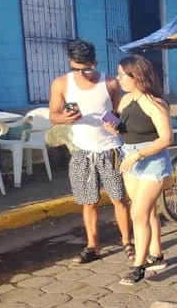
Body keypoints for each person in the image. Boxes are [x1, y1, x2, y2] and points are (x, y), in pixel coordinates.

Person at [48, 39, 132, 265]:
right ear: (70, 62)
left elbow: (119, 114)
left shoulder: (111, 83)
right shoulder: (61, 84)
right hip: (82, 152)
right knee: (89, 202)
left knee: (119, 199)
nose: (82, 73)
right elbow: (53, 114)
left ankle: (127, 242)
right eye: (76, 68)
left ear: (95, 62)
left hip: (110, 149)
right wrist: (63, 118)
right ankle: (93, 246)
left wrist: (115, 124)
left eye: (87, 68)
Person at [111, 55, 174, 286]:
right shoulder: (126, 101)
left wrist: (139, 154)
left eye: (122, 75)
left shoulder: (154, 102)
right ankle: (156, 254)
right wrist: (114, 129)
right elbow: (126, 131)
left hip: (151, 160)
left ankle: (138, 266)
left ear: (135, 76)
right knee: (147, 212)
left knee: (137, 213)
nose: (118, 79)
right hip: (130, 156)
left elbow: (167, 138)